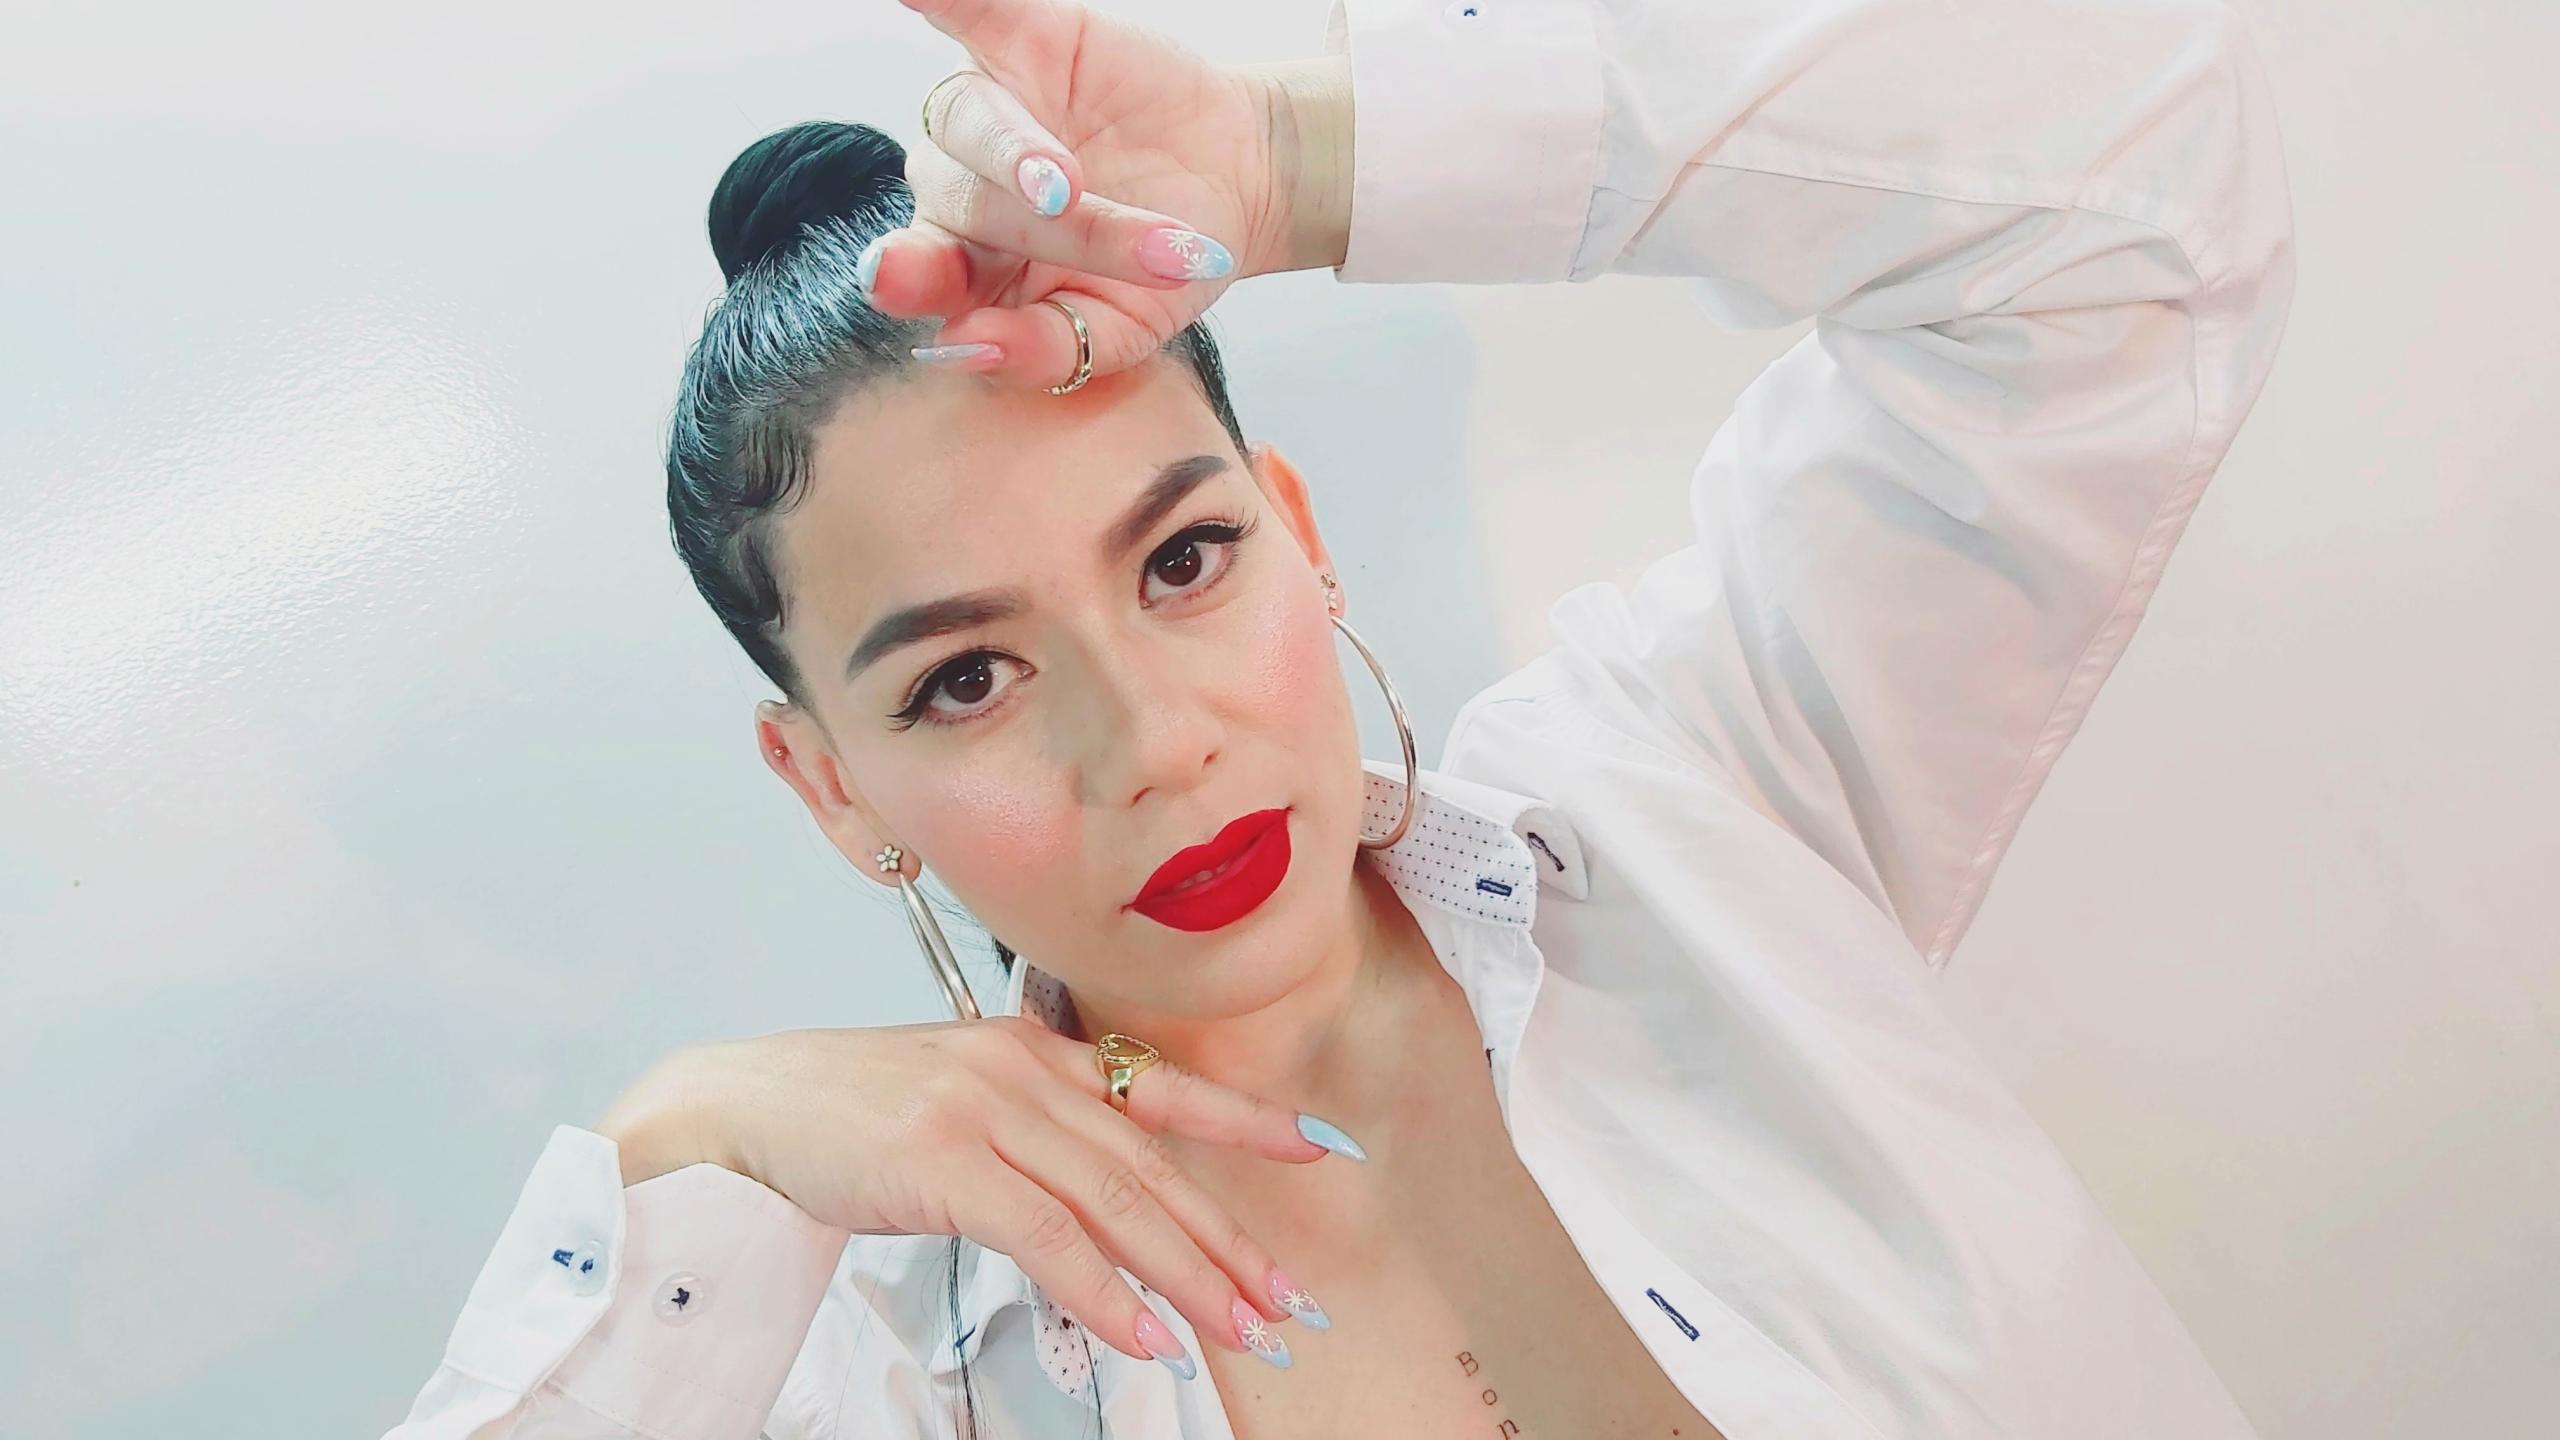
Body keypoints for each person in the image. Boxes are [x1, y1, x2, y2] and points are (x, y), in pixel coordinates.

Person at [385, 0, 2295, 1433]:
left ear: (1296, 533)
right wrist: (680, 1147)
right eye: (966, 678)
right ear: (832, 789)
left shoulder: (1697, 800)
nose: (1155, 743)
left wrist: (1299, 159)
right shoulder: (883, 1361)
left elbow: (2137, 201)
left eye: (1183, 560)